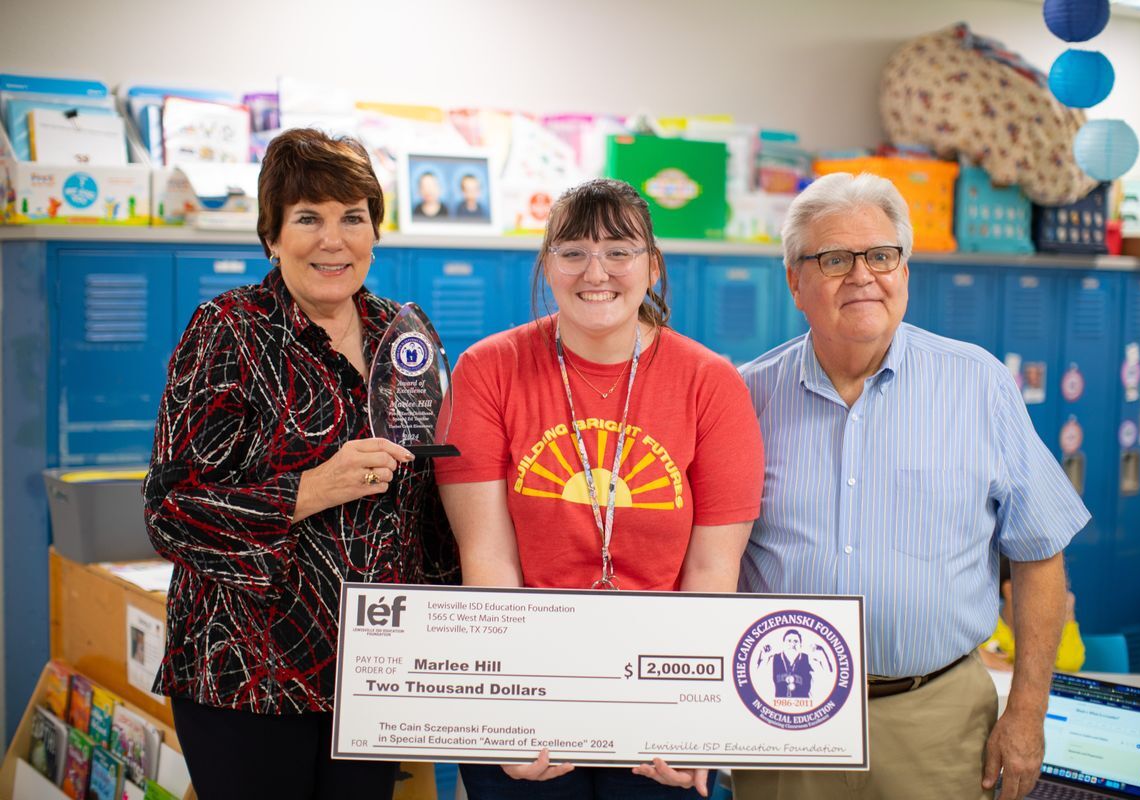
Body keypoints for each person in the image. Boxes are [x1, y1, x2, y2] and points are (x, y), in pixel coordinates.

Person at [734, 172, 1090, 800]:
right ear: (795, 280)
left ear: (904, 270)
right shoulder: (744, 397)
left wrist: (1029, 711)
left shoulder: (978, 384)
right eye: (835, 258)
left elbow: (1039, 551)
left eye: (881, 255)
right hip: (781, 714)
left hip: (937, 721)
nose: (863, 275)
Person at [143, 128, 456, 800]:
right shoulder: (228, 330)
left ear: (375, 231)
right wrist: (308, 491)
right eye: (308, 218)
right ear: (272, 236)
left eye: (353, 217)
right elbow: (170, 511)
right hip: (249, 673)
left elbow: (432, 511)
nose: (332, 239)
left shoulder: (407, 333)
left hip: (375, 674)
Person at [435, 178, 765, 799]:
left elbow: (712, 571)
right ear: (547, 265)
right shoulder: (487, 370)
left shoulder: (711, 383)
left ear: (653, 267)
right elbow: (488, 558)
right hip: (525, 682)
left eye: (619, 250)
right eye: (573, 251)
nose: (597, 271)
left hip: (657, 690)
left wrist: (689, 717)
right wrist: (508, 712)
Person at [980, 557, 1086, 672]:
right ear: (1010, 590)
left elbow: (1070, 664)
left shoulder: (1048, 626)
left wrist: (1067, 617)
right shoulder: (985, 623)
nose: (1051, 596)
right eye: (1042, 587)